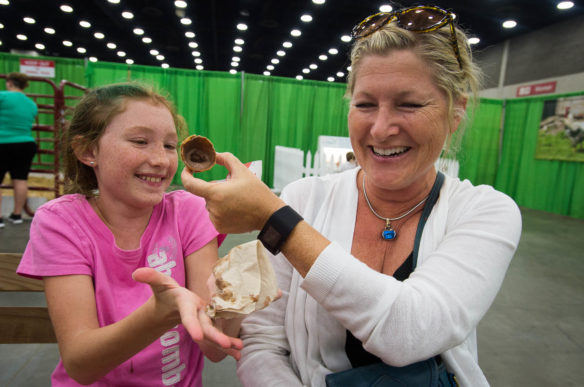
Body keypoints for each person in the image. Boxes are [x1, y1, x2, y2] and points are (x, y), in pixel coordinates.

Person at [181, 5, 522, 387]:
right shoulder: (304, 199)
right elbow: (263, 342)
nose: (380, 128)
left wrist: (274, 220)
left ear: (455, 111)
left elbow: (408, 332)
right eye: (365, 104)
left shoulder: (484, 212)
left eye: (409, 104)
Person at [17, 83, 243, 386]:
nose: (162, 160)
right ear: (88, 151)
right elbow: (81, 365)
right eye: (140, 141)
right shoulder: (61, 223)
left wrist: (243, 300)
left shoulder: (188, 212)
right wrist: (157, 315)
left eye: (168, 145)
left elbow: (213, 349)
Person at [0, 72, 38, 228]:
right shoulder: (31, 104)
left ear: (9, 83)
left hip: (2, 142)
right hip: (26, 143)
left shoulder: (3, 97)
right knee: (21, 179)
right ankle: (17, 215)